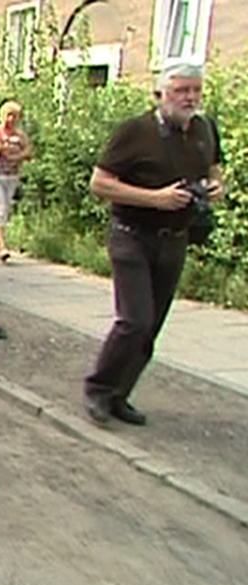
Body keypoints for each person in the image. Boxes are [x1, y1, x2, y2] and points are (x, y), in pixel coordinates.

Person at [83, 62, 224, 426]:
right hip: (131, 234)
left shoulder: (205, 129)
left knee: (152, 325)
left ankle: (120, 395)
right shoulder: (135, 131)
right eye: (182, 91)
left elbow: (214, 169)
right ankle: (98, 390)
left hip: (175, 239)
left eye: (195, 90)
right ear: (160, 94)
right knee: (135, 320)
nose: (190, 98)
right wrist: (155, 198)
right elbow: (100, 184)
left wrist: (214, 188)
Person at [0, 100, 32, 261]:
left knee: (4, 211)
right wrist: (18, 154)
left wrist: (15, 155)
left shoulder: (20, 135)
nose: (11, 119)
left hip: (12, 177)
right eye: (9, 115)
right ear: (2, 115)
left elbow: (29, 151)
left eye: (15, 116)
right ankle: (2, 247)